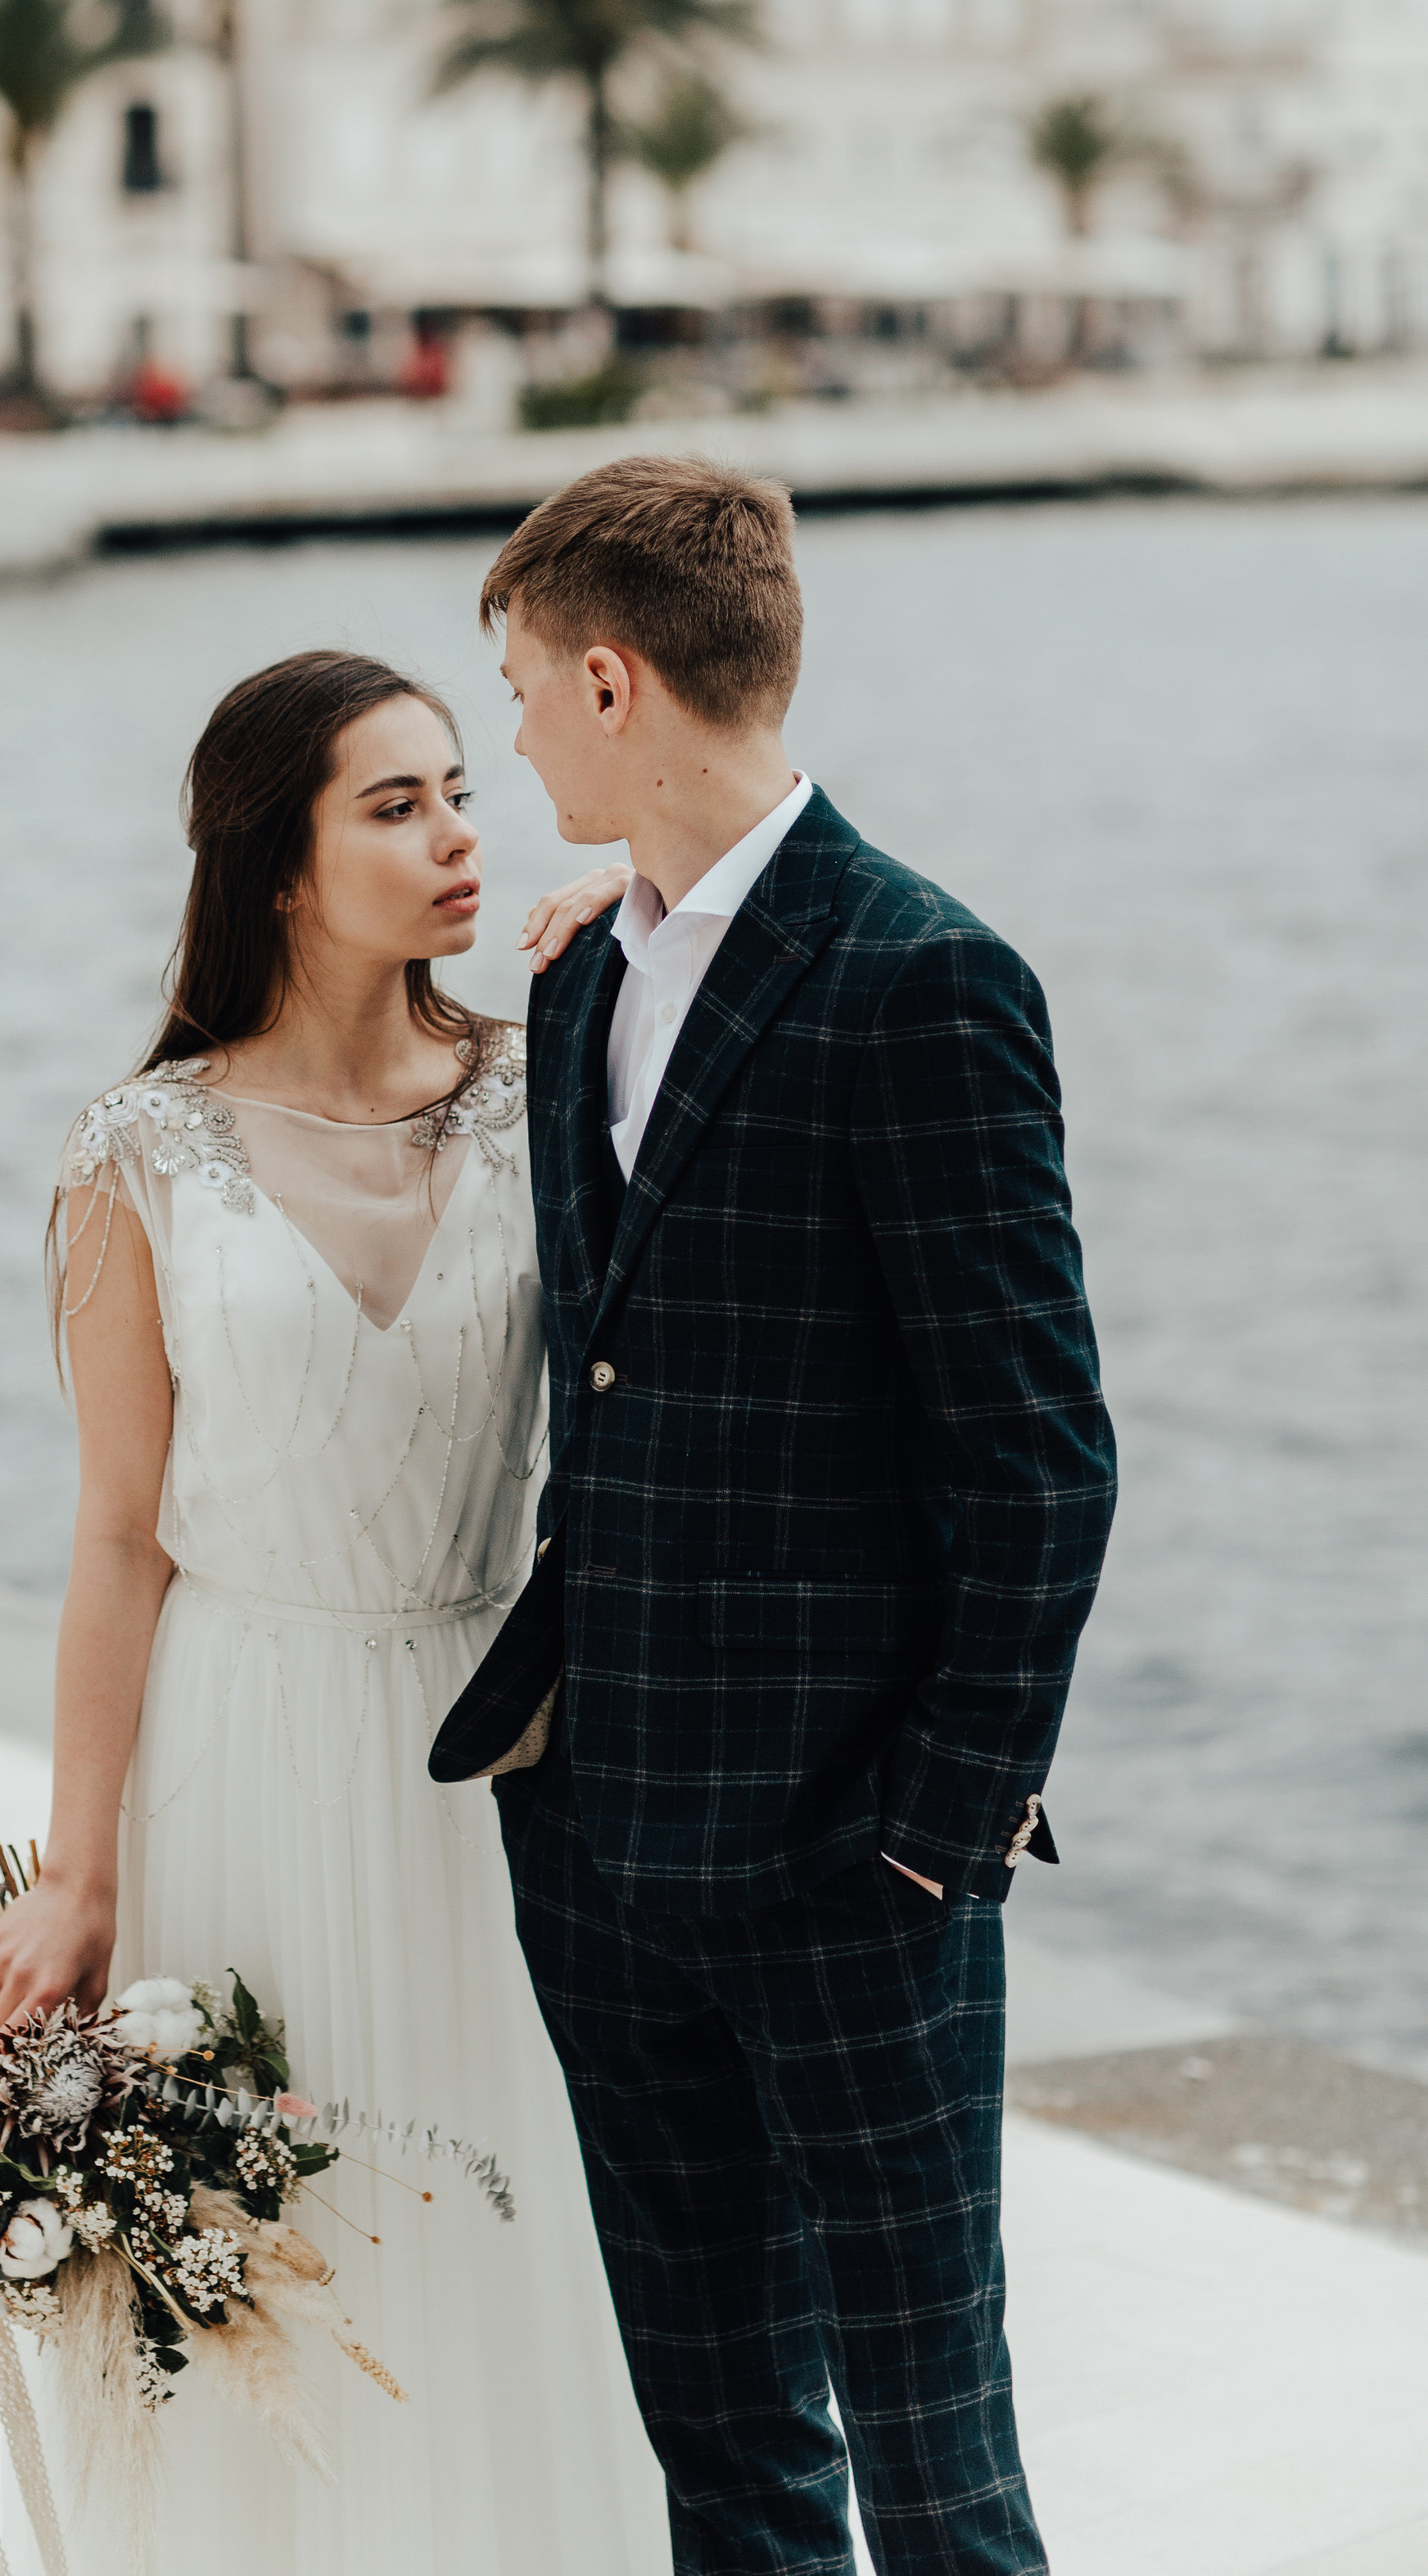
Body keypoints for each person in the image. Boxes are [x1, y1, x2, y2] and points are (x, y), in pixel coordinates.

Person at [433, 456, 1118, 2576]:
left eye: (529, 688)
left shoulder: (923, 978)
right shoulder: (578, 987)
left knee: (939, 2476)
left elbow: (1039, 1461)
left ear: (617, 680)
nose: (517, 736)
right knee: (728, 2462)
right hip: (607, 1849)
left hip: (853, 1879)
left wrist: (933, 1836)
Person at [0, 648, 669, 2576]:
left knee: (521, 2236)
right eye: (395, 805)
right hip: (243, 1750)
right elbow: (119, 1538)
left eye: (458, 789)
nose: (459, 836)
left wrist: (652, 927)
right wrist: (77, 1871)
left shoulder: (549, 1091)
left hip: (498, 1746)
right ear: (275, 862)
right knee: (281, 2257)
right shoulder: (141, 1154)